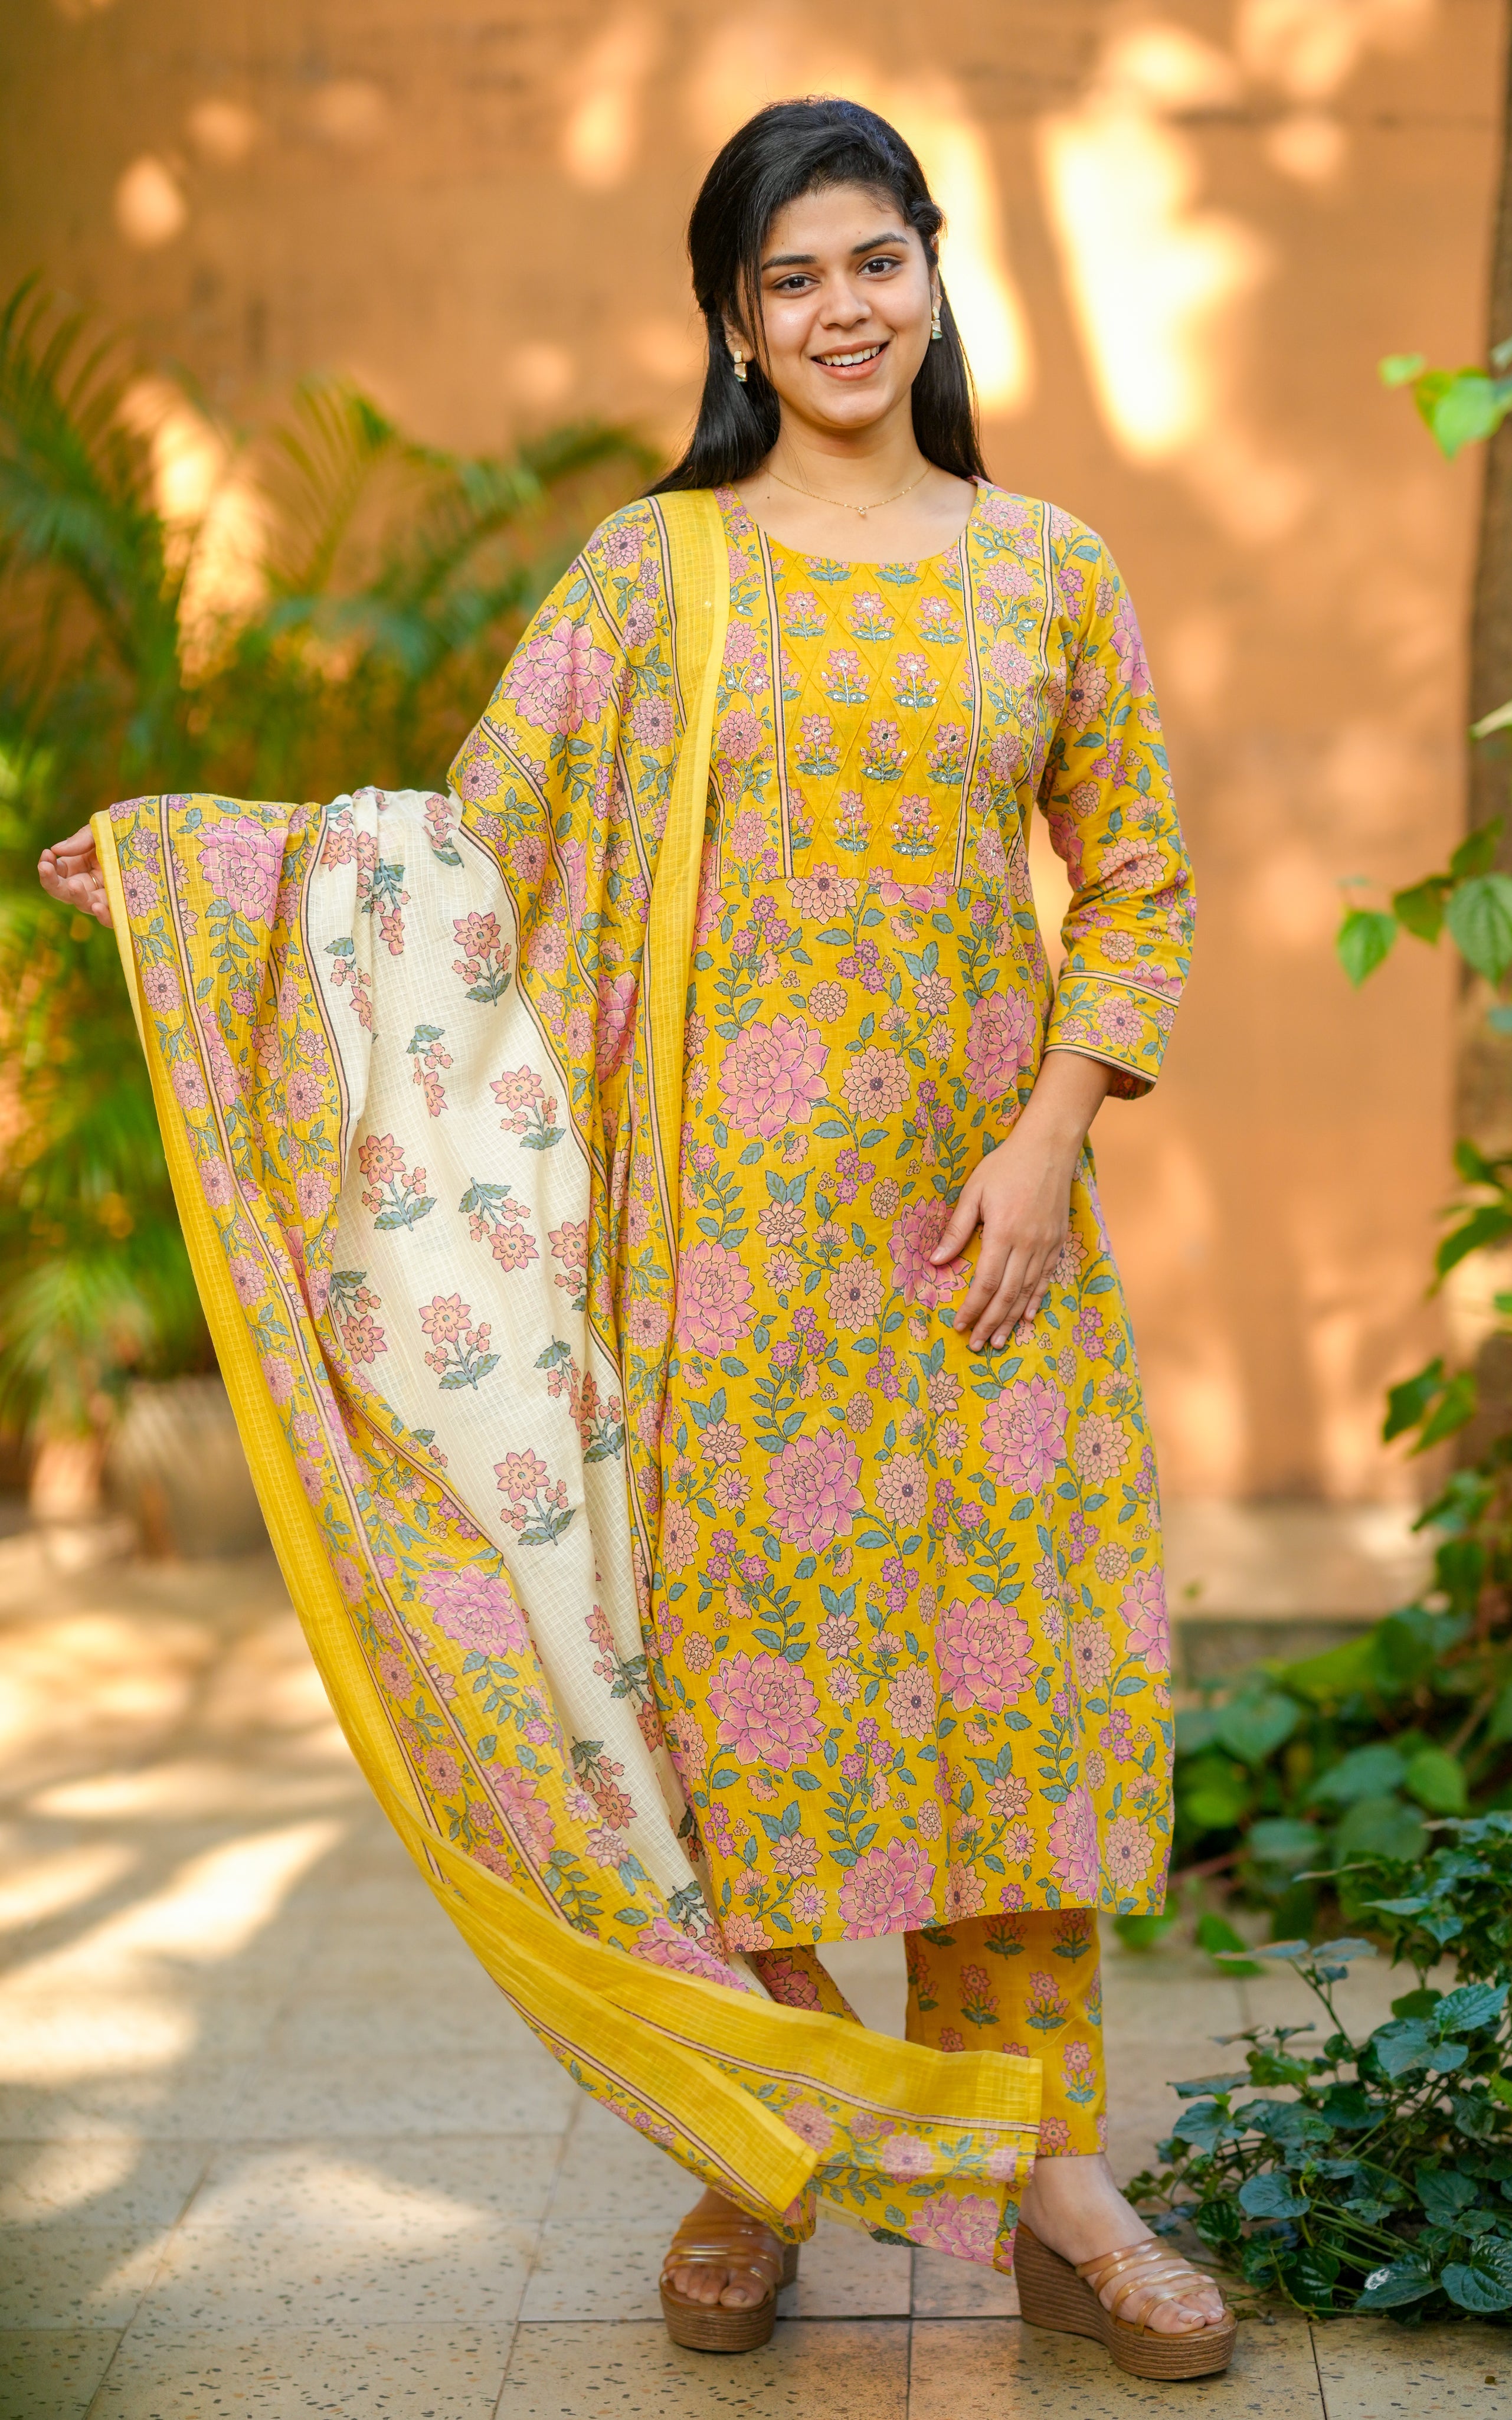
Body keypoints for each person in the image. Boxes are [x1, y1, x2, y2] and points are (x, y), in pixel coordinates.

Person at [41, 96, 1227, 2380]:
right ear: (733, 325)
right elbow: (461, 862)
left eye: (874, 258)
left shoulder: (1045, 571)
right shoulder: (647, 576)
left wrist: (1052, 1135)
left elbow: (1144, 883)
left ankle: (1056, 2176)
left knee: (1010, 1704)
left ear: (934, 275)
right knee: (735, 1717)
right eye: (790, 279)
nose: (842, 307)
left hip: (984, 1246)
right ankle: (760, 2144)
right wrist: (215, 879)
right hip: (717, 1264)